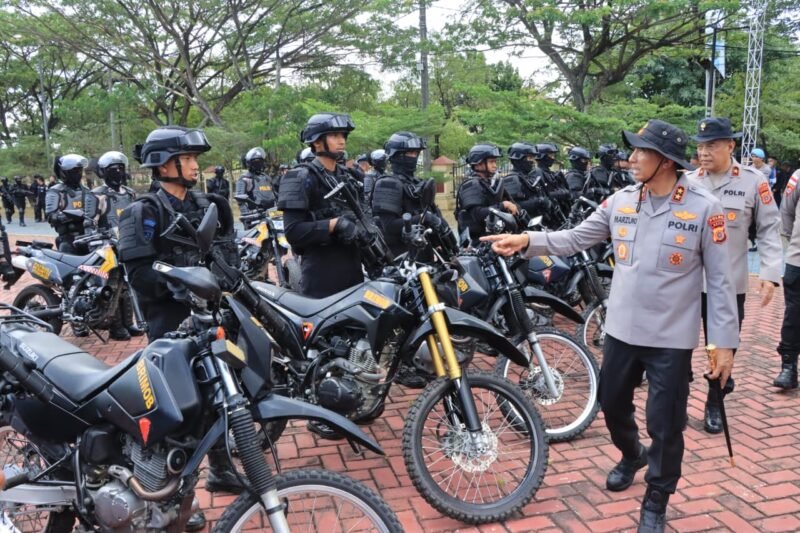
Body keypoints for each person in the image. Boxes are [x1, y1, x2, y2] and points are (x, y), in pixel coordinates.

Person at [482, 119, 739, 533]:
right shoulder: (621, 201)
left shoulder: (704, 208)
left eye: (642, 151)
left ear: (666, 161)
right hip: (620, 329)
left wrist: (723, 345)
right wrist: (527, 242)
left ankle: (657, 496)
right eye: (633, 150)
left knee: (665, 422)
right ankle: (632, 453)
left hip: (671, 339)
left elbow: (723, 282)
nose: (632, 158)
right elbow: (575, 238)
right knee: (612, 403)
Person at [116, 126, 240, 531]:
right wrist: (180, 283)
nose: (195, 165)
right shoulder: (143, 211)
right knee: (178, 416)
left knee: (219, 399)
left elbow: (225, 251)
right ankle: (171, 498)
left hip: (212, 318)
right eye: (187, 159)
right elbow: (137, 274)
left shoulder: (206, 203)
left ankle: (221, 470)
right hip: (170, 325)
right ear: (164, 164)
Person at [685, 117, 782, 432]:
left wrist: (769, 273)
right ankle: (677, 396)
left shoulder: (754, 182)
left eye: (711, 145)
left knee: (720, 345)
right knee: (680, 345)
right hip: (687, 282)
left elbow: (769, 229)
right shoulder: (687, 182)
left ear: (730, 145)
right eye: (700, 146)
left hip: (728, 284)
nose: (704, 152)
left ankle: (715, 400)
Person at [277, 112, 365, 299]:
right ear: (317, 142)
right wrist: (334, 225)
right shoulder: (300, 177)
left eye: (343, 135)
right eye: (334, 135)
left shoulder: (349, 176)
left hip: (354, 275)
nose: (342, 141)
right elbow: (293, 232)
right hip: (321, 278)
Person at [372, 132, 453, 257]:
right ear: (397, 155)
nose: (414, 157)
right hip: (403, 258)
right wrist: (425, 218)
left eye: (416, 153)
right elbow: (389, 226)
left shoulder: (416, 182)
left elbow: (433, 212)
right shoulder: (388, 183)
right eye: (410, 153)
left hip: (425, 252)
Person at [92, 150, 143, 341]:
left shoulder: (130, 193)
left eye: (121, 168)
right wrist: (100, 237)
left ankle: (129, 323)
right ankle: (115, 326)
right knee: (112, 285)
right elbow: (90, 222)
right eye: (114, 169)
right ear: (104, 172)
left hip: (127, 244)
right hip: (107, 247)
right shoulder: (97, 195)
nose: (119, 172)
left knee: (128, 285)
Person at [456, 143, 518, 244]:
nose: (495, 165)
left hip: (492, 237)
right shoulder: (471, 185)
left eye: (495, 161)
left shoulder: (489, 183)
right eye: (491, 162)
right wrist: (503, 205)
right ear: (478, 163)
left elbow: (510, 202)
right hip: (477, 243)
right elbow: (477, 214)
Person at [774, 167, 800, 389]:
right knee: (794, 316)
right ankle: (789, 367)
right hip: (798, 260)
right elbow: (786, 212)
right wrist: (794, 243)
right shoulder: (799, 176)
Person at [46, 154, 99, 253]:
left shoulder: (86, 190)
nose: (78, 173)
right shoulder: (56, 191)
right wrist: (73, 215)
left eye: (79, 170)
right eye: (74, 170)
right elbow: (51, 217)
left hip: (88, 236)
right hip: (68, 239)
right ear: (65, 172)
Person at [501, 142, 551, 223]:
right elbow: (515, 206)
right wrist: (538, 202)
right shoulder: (512, 179)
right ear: (519, 159)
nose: (533, 161)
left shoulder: (527, 176)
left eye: (533, 158)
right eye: (529, 158)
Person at [235, 147, 276, 223]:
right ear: (249, 163)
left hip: (272, 214)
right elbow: (240, 200)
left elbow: (275, 195)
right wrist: (247, 215)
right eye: (256, 162)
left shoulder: (266, 178)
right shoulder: (245, 179)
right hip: (254, 216)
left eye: (260, 161)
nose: (259, 164)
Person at [534, 143, 572, 217]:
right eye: (550, 155)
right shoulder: (538, 172)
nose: (553, 158)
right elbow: (542, 194)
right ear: (542, 156)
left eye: (553, 155)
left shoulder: (549, 173)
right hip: (549, 214)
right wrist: (561, 193)